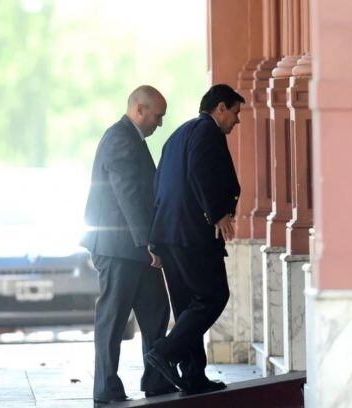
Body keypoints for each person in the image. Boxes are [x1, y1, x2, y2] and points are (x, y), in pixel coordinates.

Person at [144, 84, 245, 395]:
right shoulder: (206, 131)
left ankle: (192, 377)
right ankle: (164, 352)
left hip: (170, 235)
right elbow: (200, 172)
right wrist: (217, 213)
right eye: (235, 113)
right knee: (214, 296)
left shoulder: (178, 135)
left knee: (188, 306)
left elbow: (159, 184)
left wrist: (155, 238)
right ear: (221, 109)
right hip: (192, 235)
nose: (236, 122)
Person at [81, 85, 177, 404]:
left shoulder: (130, 138)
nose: (159, 123)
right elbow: (129, 195)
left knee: (156, 311)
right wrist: (149, 242)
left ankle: (156, 378)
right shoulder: (120, 139)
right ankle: (106, 388)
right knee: (113, 318)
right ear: (139, 110)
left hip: (134, 247)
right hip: (118, 247)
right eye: (157, 116)